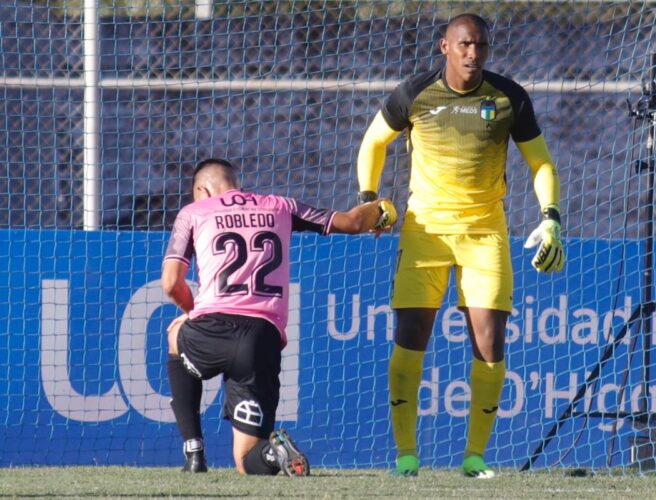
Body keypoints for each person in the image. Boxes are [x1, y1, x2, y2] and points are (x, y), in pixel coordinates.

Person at [356, 13, 565, 478]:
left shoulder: (508, 97)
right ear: (444, 47)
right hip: (424, 231)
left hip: (485, 235)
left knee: (490, 345)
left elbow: (541, 163)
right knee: (410, 343)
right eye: (466, 45)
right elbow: (374, 141)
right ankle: (407, 456)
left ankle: (475, 458)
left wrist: (550, 219)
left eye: (482, 46)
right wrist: (368, 200)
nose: (474, 54)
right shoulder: (415, 93)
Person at [162, 158, 397, 475]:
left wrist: (192, 313)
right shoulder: (280, 206)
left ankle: (194, 453)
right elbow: (353, 223)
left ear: (202, 190)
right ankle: (275, 454)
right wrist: (381, 208)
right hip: (262, 339)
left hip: (212, 329)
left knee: (175, 334)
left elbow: (171, 284)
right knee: (247, 460)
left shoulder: (193, 213)